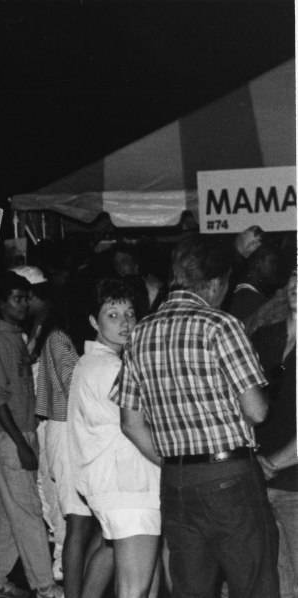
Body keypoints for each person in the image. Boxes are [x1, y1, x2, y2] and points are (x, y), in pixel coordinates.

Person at [113, 234, 278, 598]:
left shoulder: (140, 333)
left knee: (191, 589)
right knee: (254, 585)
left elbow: (130, 422)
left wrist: (176, 459)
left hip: (176, 481)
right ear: (217, 282)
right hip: (231, 477)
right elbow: (256, 410)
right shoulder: (221, 325)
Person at [25, 268, 113, 598]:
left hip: (72, 428)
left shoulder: (60, 336)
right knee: (75, 520)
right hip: (64, 429)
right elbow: (74, 385)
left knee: (84, 520)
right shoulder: (60, 338)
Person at [69, 279, 159, 598]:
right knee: (135, 588)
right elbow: (146, 420)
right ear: (94, 321)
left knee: (137, 584)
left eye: (130, 314)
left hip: (123, 485)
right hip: (128, 487)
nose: (124, 323)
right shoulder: (108, 367)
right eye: (112, 314)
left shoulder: (98, 362)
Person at [0, 271, 63, 598]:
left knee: (7, 510)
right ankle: (44, 586)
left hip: (17, 431)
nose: (24, 304)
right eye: (17, 298)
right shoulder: (0, 339)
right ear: (0, 303)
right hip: (8, 434)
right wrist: (20, 444)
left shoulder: (12, 334)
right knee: (28, 511)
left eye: (26, 298)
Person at [252, 269, 298, 598]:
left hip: (292, 480)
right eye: (292, 278)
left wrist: (271, 464)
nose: (294, 286)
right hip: (259, 477)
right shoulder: (266, 336)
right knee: (274, 580)